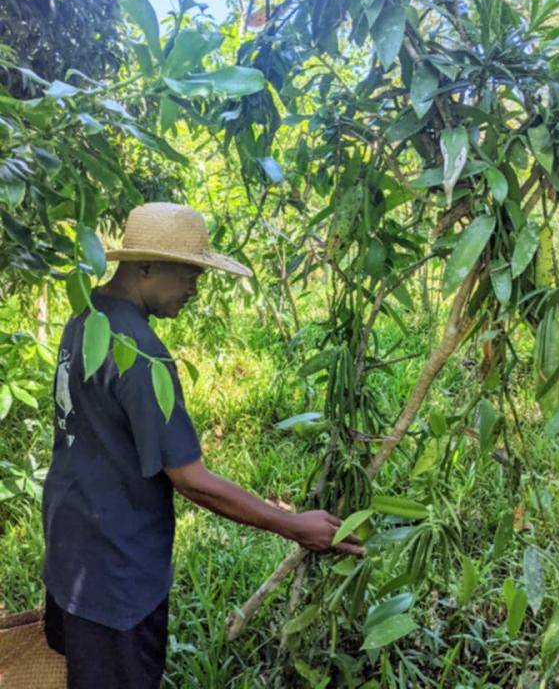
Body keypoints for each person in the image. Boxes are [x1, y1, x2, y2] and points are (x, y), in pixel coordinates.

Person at [42, 202, 364, 689]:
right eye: (189, 274)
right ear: (146, 267)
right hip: (116, 575)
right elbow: (192, 480)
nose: (195, 288)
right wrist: (294, 525)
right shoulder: (141, 355)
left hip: (70, 548)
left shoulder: (87, 317)